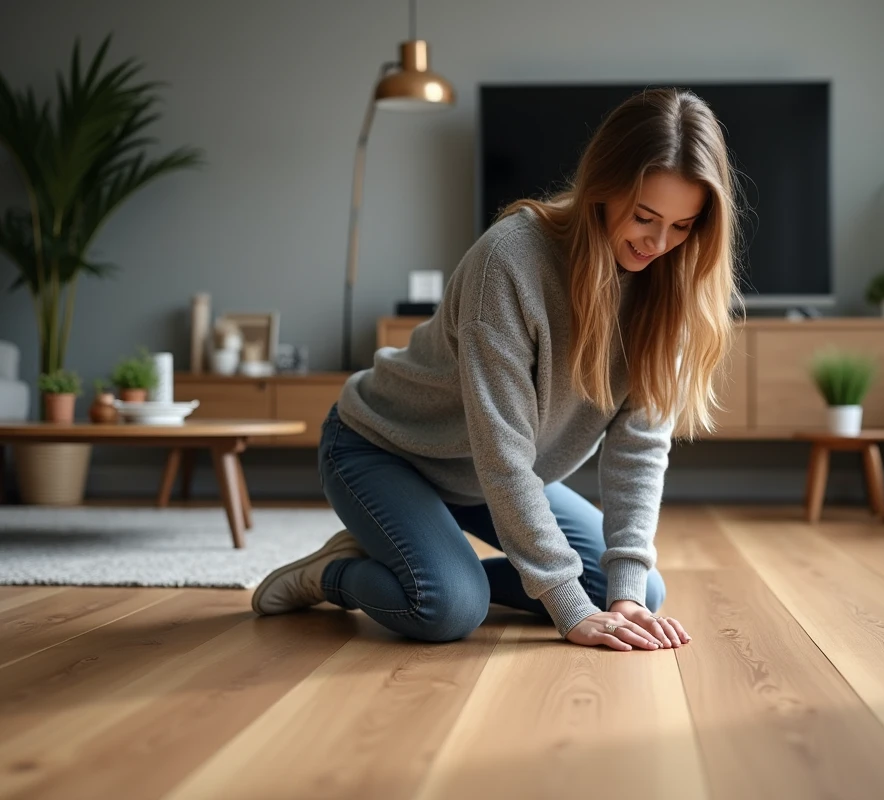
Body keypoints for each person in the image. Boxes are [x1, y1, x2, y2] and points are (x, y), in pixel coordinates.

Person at [252, 87, 740, 652]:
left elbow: (639, 450)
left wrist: (620, 593)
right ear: (602, 191)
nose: (659, 244)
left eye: (683, 227)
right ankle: (334, 574)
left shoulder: (674, 290)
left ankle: (418, 566)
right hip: (384, 449)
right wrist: (566, 606)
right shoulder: (509, 261)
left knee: (638, 593)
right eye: (645, 217)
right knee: (448, 608)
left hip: (489, 478)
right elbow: (502, 452)